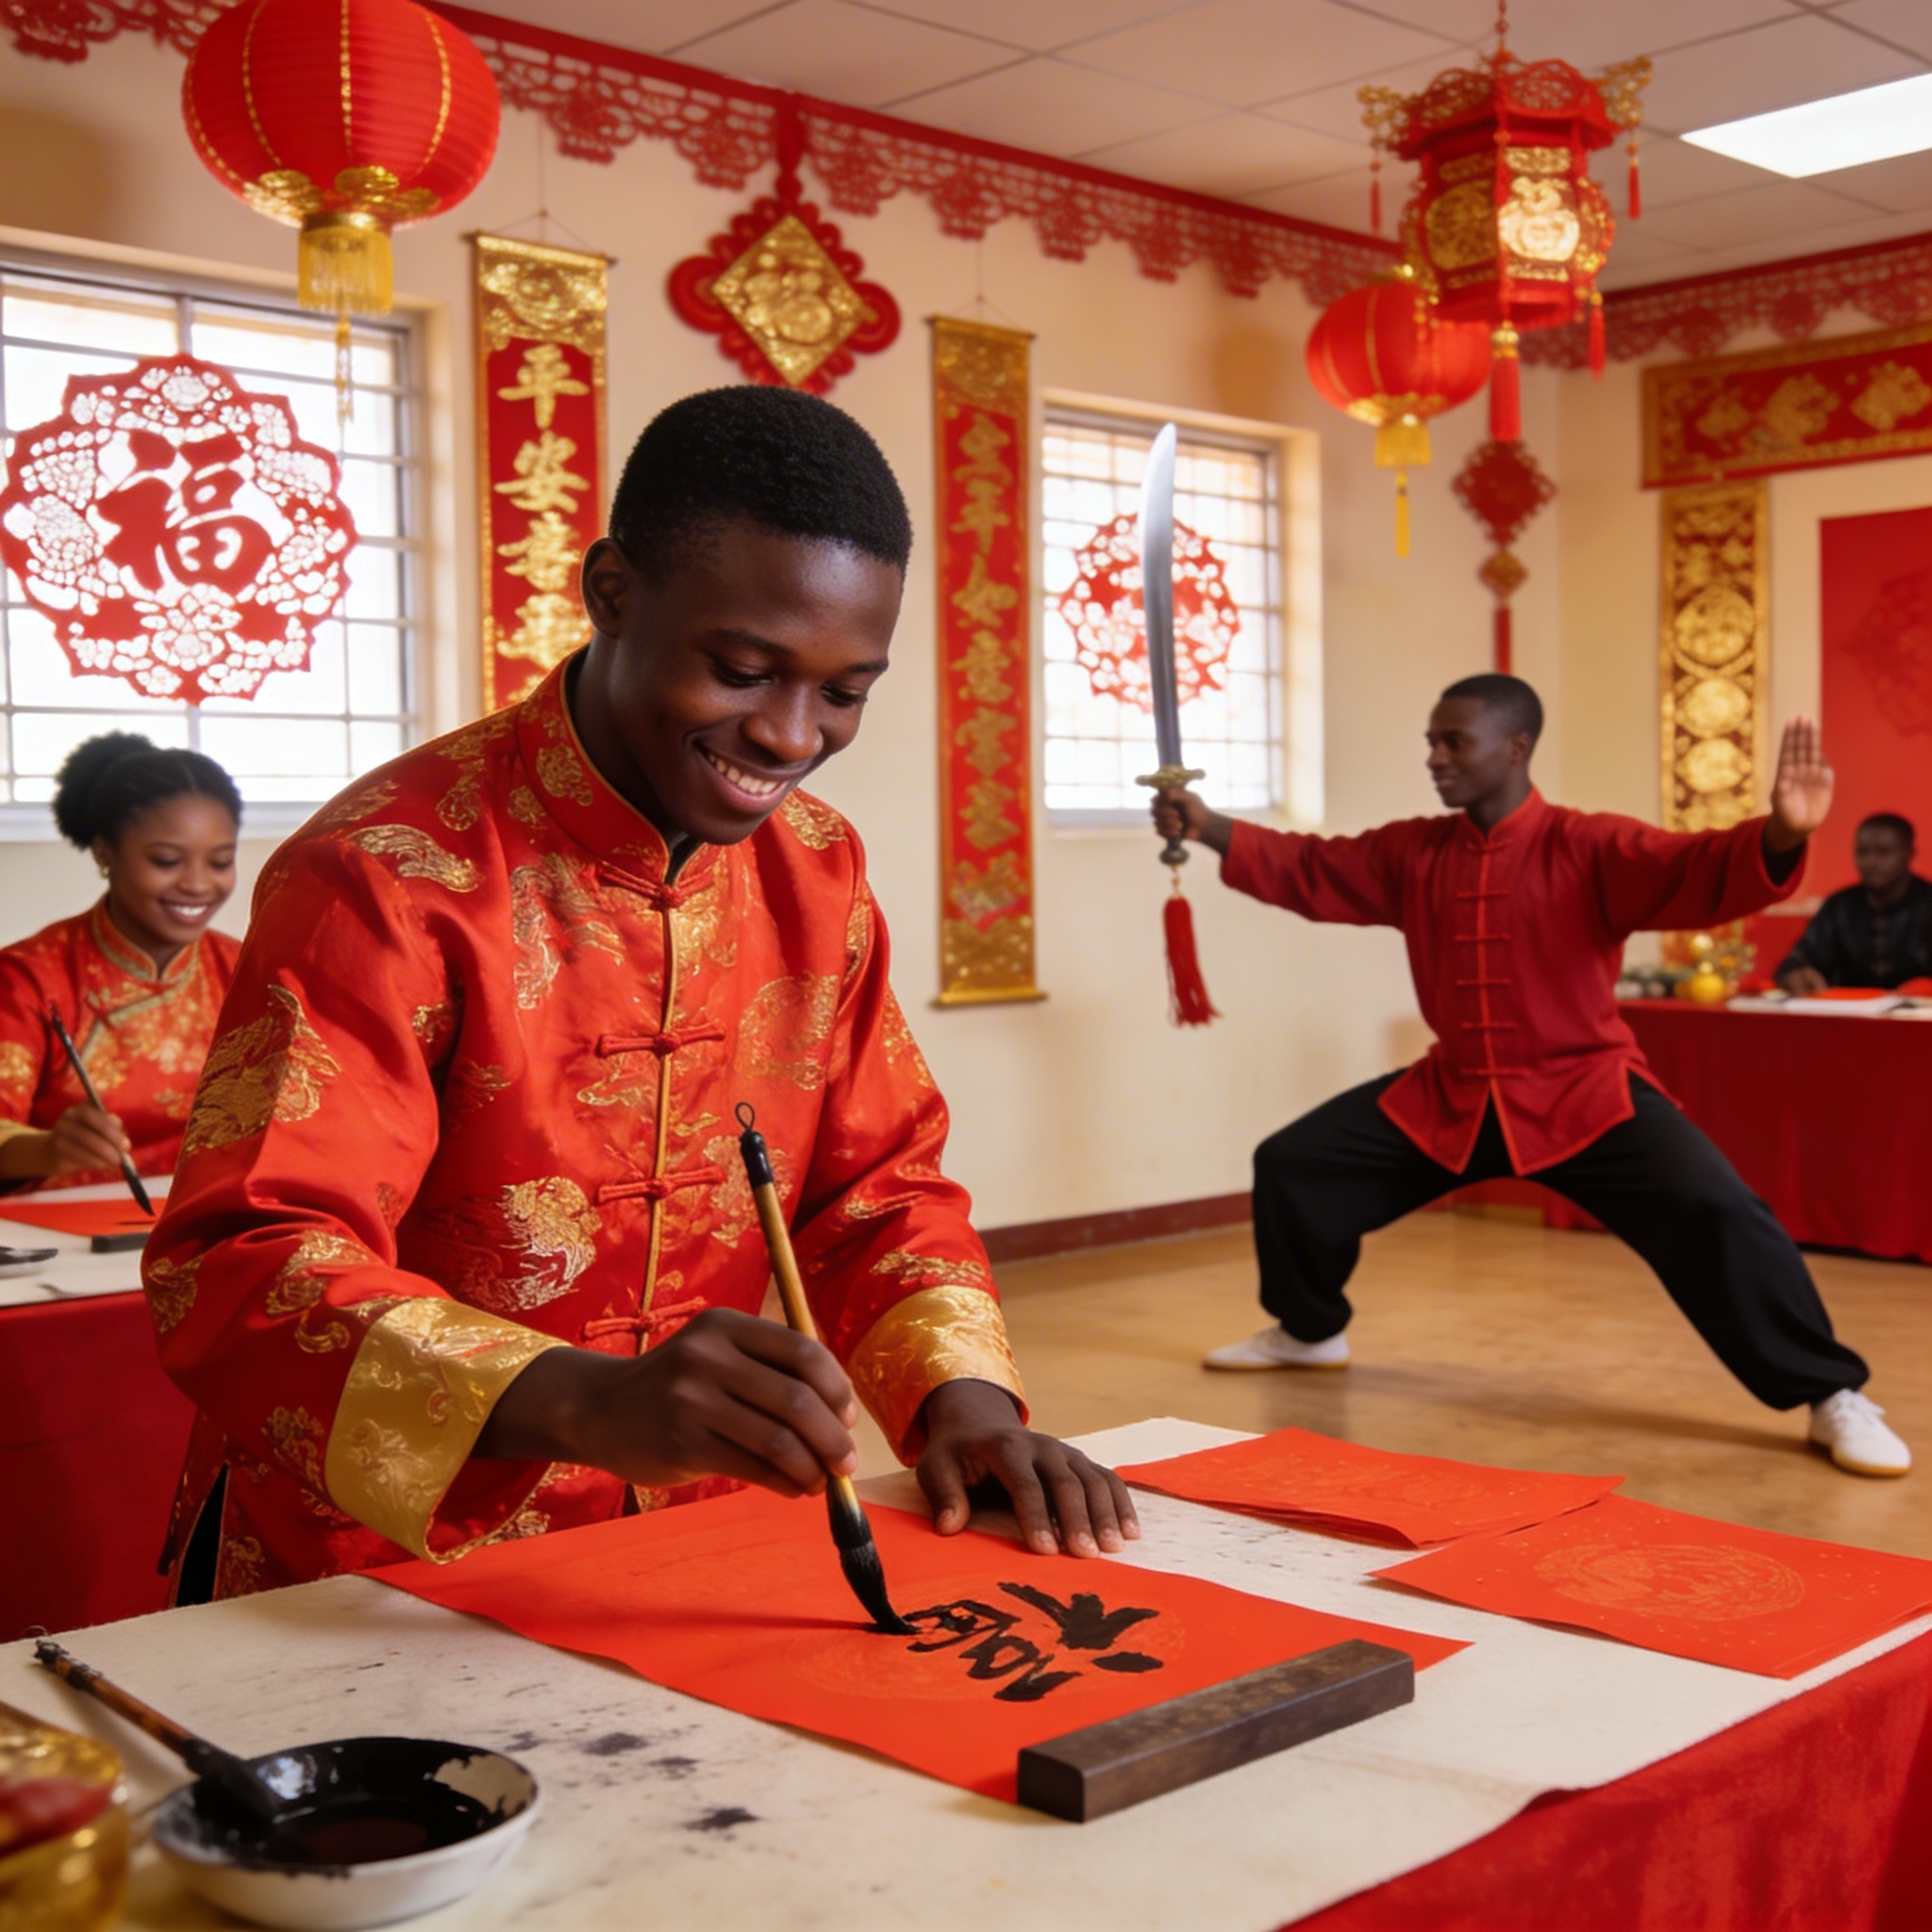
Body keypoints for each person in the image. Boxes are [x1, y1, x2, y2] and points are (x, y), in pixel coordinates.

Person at [146, 387, 1138, 1601]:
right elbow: (247, 1257)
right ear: (611, 590)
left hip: (686, 1544)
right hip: (373, 1557)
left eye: (844, 690)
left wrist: (962, 1404)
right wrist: (585, 1399)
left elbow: (875, 1186)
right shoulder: (388, 871)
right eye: (742, 668)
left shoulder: (817, 870)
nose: (788, 733)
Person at [1152, 674, 1908, 1478]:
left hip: (1585, 1092)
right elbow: (1313, 867)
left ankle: (1831, 1394)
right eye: (1430, 743)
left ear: (1515, 748)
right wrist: (1208, 825)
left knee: (1718, 1209)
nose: (1435, 759)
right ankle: (1308, 1332)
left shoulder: (1589, 845)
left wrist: (1782, 837)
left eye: (1453, 743)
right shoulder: (1414, 850)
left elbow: (1690, 865)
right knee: (1296, 1164)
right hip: (1456, 1092)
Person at [0, 734, 241, 1191]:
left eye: (220, 862)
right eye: (167, 860)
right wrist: (50, 1149)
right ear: (105, 852)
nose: (197, 884)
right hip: (63, 1233)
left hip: (212, 1222)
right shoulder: (28, 978)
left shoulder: (246, 969)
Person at [1775, 812, 1932, 992]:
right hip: (1848, 1014)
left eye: (1884, 852)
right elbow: (1801, 958)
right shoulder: (1839, 906)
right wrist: (1796, 972)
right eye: (1863, 852)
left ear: (1909, 853)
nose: (1871, 862)